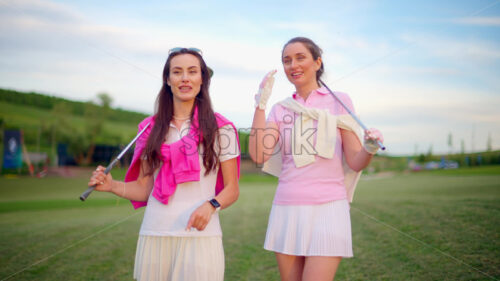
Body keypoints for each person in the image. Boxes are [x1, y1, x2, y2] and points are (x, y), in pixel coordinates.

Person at [88, 47, 240, 281]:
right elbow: (145, 189)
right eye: (177, 72)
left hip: (201, 235)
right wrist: (112, 186)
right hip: (155, 232)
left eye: (192, 71)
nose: (185, 78)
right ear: (168, 80)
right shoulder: (149, 129)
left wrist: (211, 205)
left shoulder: (222, 128)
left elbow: (232, 189)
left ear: (202, 79)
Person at [249, 37, 384, 281]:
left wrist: (369, 148)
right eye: (287, 60)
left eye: (300, 57)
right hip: (287, 208)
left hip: (329, 208)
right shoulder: (281, 109)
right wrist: (260, 104)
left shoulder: (339, 100)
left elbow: (355, 161)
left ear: (317, 62)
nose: (293, 65)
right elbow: (259, 154)